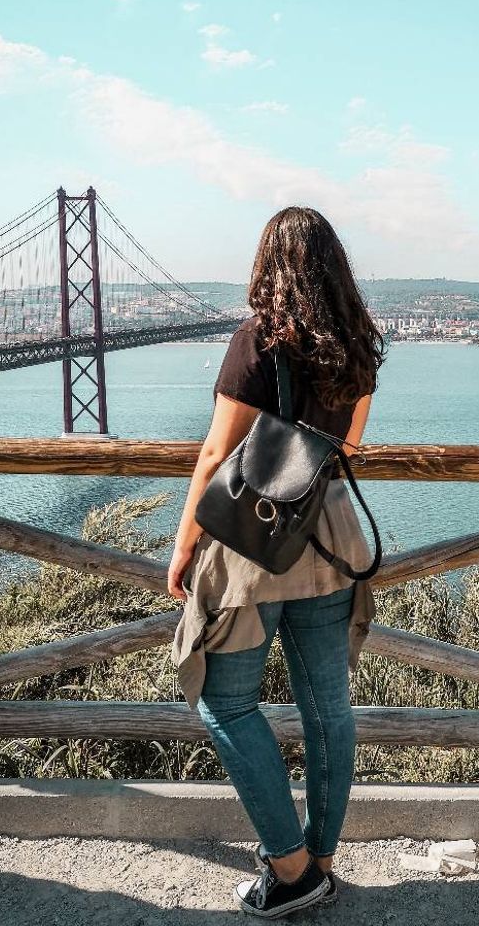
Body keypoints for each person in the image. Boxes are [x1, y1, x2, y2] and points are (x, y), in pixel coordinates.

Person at [168, 205, 385, 919]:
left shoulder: (256, 342)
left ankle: (290, 870)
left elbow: (215, 452)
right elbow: (345, 449)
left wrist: (183, 545)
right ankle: (320, 860)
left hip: (254, 549)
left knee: (224, 701)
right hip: (330, 540)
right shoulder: (357, 346)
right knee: (328, 710)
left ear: (269, 265)